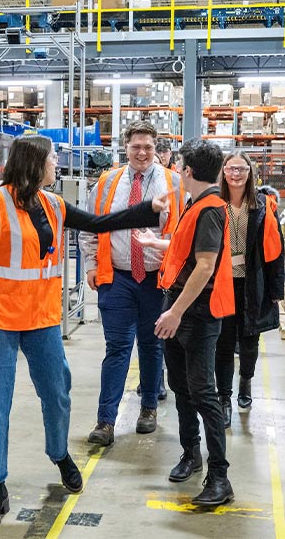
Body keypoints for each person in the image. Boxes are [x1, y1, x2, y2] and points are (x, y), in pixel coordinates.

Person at [0, 134, 169, 530]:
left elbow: (101, 223)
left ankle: (59, 454)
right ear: (35, 163)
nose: (57, 164)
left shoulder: (53, 204)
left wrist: (147, 210)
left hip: (42, 320)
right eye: (53, 158)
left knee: (57, 392)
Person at [137, 138, 235, 506]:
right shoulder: (195, 205)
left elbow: (206, 265)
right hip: (177, 305)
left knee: (203, 393)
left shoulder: (210, 208)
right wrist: (155, 244)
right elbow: (189, 252)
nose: (175, 170)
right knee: (180, 387)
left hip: (195, 313)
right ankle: (191, 453)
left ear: (188, 171)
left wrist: (175, 311)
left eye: (178, 165)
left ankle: (220, 478)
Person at [78, 120, 185, 446]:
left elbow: (183, 234)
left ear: (157, 150)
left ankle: (149, 407)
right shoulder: (108, 183)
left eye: (148, 147)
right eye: (136, 147)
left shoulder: (174, 183)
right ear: (126, 148)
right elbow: (90, 225)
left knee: (153, 345)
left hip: (158, 279)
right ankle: (105, 421)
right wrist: (90, 264)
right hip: (118, 277)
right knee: (117, 349)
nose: (142, 153)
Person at [213, 151, 285, 428]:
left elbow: (276, 253)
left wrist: (276, 289)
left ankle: (245, 382)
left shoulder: (264, 206)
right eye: (231, 169)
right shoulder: (214, 203)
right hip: (222, 282)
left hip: (253, 282)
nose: (236, 174)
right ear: (223, 172)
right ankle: (224, 398)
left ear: (250, 173)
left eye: (241, 169)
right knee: (223, 342)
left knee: (250, 341)